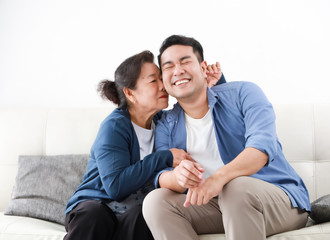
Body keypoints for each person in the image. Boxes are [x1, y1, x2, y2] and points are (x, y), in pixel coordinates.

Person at [142, 35, 311, 240]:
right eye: (168, 66)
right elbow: (162, 174)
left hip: (279, 201)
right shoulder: (166, 124)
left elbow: (261, 148)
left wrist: (218, 179)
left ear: (203, 68)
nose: (177, 70)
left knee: (236, 187)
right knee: (155, 202)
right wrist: (178, 177)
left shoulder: (244, 93)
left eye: (185, 61)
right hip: (218, 205)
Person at [63, 50, 224, 240]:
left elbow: (203, 112)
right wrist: (165, 157)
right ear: (130, 93)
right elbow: (115, 186)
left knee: (146, 215)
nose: (163, 86)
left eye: (161, 78)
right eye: (153, 81)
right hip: (95, 204)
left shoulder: (165, 122)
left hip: (134, 210)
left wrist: (215, 84)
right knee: (95, 215)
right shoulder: (115, 126)